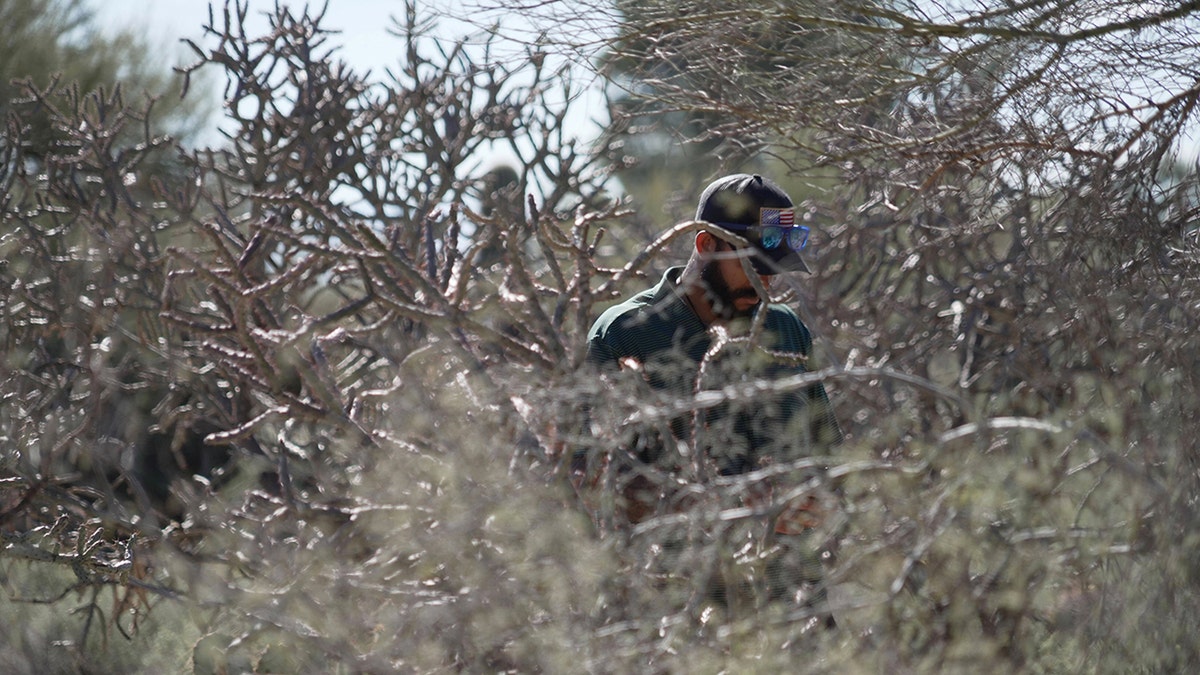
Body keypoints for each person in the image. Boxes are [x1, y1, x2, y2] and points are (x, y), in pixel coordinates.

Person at [576, 173, 843, 621]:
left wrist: (814, 499)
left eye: (775, 271)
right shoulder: (624, 334)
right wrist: (733, 506)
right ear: (705, 245)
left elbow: (829, 460)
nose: (766, 284)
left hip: (792, 607)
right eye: (753, 266)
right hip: (674, 611)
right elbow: (595, 490)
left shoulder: (787, 331)